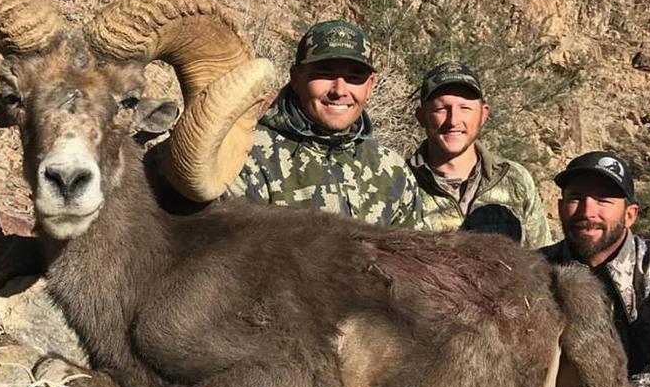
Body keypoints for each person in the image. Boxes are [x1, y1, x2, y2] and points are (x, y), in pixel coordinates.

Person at [225, 20, 421, 227]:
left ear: (370, 86)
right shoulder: (248, 156)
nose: (339, 90)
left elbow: (412, 255)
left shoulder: (393, 170)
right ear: (296, 78)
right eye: (325, 75)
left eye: (354, 77)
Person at [541, 151, 650, 387]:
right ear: (560, 207)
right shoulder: (535, 270)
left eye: (604, 200)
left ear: (631, 214)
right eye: (576, 197)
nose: (587, 211)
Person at [406, 61, 552, 248]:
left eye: (465, 108)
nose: (453, 121)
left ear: (484, 114)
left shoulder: (515, 179)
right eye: (441, 109)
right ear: (421, 116)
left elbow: (541, 258)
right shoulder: (401, 183)